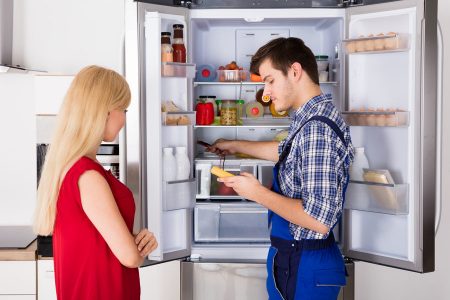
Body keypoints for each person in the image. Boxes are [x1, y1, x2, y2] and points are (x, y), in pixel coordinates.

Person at [207, 37, 354, 300]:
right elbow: (288, 152)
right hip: (295, 258)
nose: (265, 92)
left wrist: (257, 193)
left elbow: (319, 220)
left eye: (270, 80)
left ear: (295, 71)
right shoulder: (310, 118)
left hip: (305, 262)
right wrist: (235, 144)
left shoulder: (317, 129)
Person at [33, 66, 158, 300]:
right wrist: (141, 248)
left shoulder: (70, 167)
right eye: (123, 109)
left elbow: (94, 238)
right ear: (104, 112)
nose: (124, 118)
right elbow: (129, 258)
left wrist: (134, 242)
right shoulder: (88, 176)